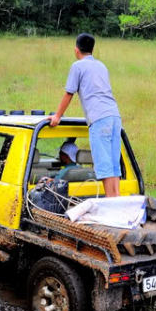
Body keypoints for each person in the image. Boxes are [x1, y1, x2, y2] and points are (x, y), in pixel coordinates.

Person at [47, 33, 122, 197]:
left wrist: (57, 116)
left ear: (76, 50)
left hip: (99, 119)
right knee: (113, 164)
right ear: (93, 49)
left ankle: (111, 203)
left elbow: (69, 93)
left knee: (104, 165)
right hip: (115, 117)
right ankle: (116, 200)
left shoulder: (77, 66)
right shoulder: (102, 66)